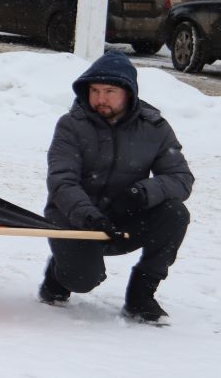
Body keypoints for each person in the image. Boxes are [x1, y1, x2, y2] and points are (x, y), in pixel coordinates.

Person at [39, 50, 193, 323]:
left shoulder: (154, 128)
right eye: (95, 90)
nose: (100, 99)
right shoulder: (70, 126)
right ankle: (59, 272)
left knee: (175, 213)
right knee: (82, 280)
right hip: (75, 220)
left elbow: (180, 178)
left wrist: (142, 193)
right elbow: (62, 181)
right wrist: (88, 215)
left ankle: (141, 295)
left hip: (123, 219)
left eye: (110, 91)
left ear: (129, 92)